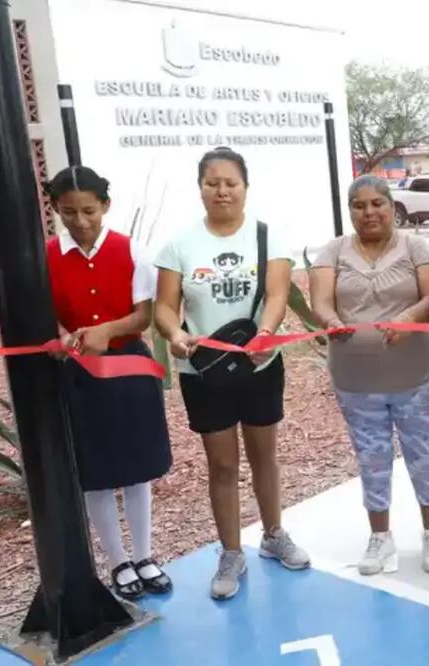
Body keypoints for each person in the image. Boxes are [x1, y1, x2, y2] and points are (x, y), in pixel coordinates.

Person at [154, 147, 309, 600]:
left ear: (245, 187)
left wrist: (266, 332)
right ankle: (230, 551)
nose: (222, 191)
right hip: (203, 371)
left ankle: (274, 533)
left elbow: (278, 295)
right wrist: (176, 333)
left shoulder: (268, 238)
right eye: (212, 182)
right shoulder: (178, 245)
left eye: (231, 183)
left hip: (259, 364)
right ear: (200, 187)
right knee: (221, 464)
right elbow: (165, 306)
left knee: (265, 455)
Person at [44, 166, 174, 601]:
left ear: (105, 205)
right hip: (79, 372)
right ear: (56, 210)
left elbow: (144, 314)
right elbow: (47, 313)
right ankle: (117, 561)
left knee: (136, 467)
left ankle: (144, 554)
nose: (80, 222)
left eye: (88, 211)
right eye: (68, 213)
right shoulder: (46, 257)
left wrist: (108, 330)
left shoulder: (129, 249)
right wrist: (64, 335)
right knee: (96, 471)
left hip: (128, 367)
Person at [309, 175, 429, 576]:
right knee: (371, 459)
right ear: (350, 210)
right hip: (356, 381)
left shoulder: (415, 246)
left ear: (391, 206)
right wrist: (332, 320)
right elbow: (321, 302)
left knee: (424, 457)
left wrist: (408, 318)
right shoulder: (332, 251)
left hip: (417, 377)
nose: (368, 212)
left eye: (377, 204)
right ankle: (380, 538)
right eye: (358, 205)